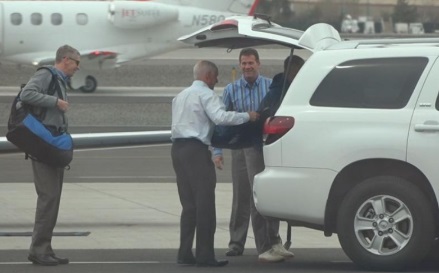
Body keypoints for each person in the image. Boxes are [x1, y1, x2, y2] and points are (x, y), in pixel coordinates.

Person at [171, 60, 259, 267]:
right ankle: (205, 255)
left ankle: (184, 253)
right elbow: (220, 117)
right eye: (216, 77)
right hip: (196, 151)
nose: (217, 81)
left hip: (177, 151)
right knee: (205, 206)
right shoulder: (206, 95)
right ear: (209, 76)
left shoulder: (180, 96)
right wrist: (248, 116)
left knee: (189, 206)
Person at [213, 48, 294, 262]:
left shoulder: (270, 85)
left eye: (251, 63)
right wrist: (217, 150)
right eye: (244, 63)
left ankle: (273, 241)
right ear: (240, 65)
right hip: (241, 147)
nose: (247, 67)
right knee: (241, 196)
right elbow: (221, 121)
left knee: (265, 194)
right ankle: (236, 243)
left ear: (258, 64)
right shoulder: (231, 89)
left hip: (263, 147)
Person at [20, 45, 80, 266]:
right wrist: (55, 102)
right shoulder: (46, 75)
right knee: (49, 198)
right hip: (43, 146)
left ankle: (45, 247)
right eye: (77, 62)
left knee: (52, 199)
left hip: (52, 146)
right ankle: (39, 250)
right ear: (66, 59)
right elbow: (27, 94)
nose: (77, 68)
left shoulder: (59, 81)